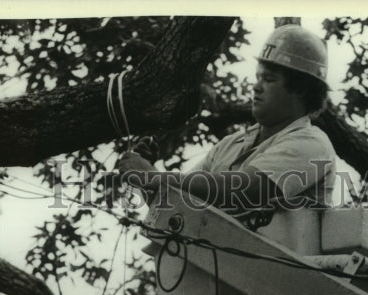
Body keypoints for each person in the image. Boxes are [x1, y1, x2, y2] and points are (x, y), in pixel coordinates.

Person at [117, 24, 337, 217]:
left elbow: (246, 190)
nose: (256, 86)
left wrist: (155, 177)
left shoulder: (311, 143)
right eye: (258, 77)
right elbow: (177, 207)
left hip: (279, 264)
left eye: (269, 79)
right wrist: (147, 179)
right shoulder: (230, 145)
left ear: (301, 90)